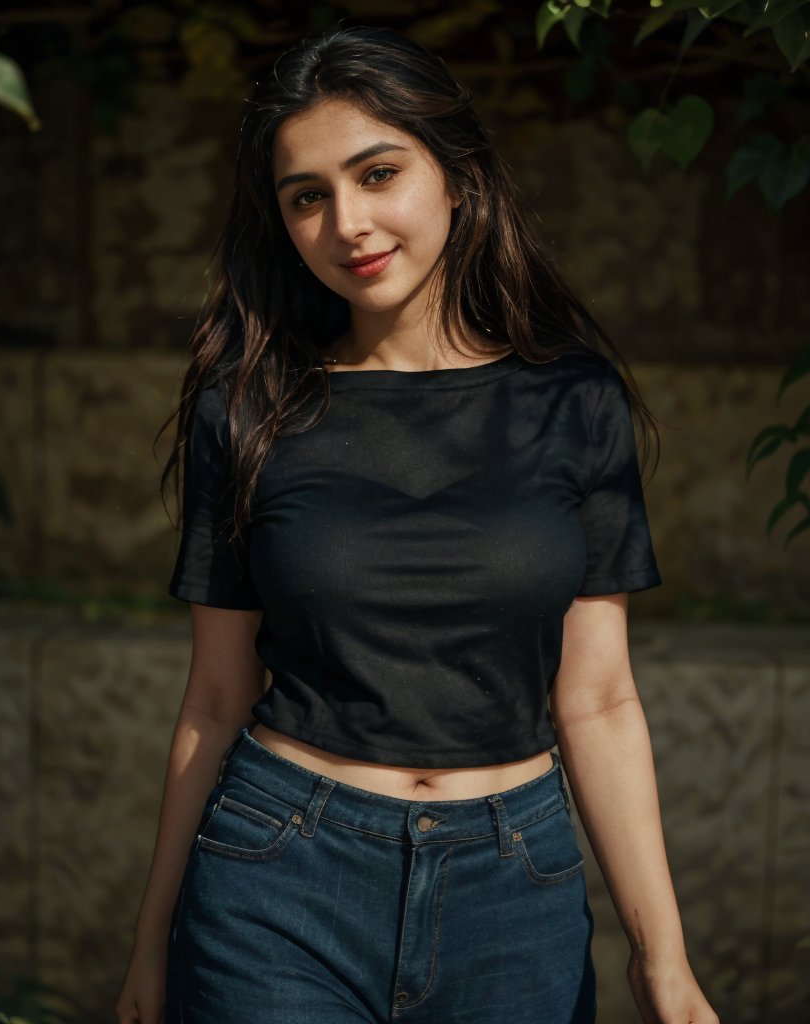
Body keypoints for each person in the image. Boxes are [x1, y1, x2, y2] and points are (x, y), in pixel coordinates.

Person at [115, 23, 718, 1024]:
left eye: (377, 172)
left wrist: (664, 957)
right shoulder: (249, 408)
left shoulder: (574, 400)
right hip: (279, 874)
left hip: (513, 885)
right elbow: (216, 699)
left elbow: (601, 698)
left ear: (456, 174)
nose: (346, 220)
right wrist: (150, 943)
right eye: (307, 195)